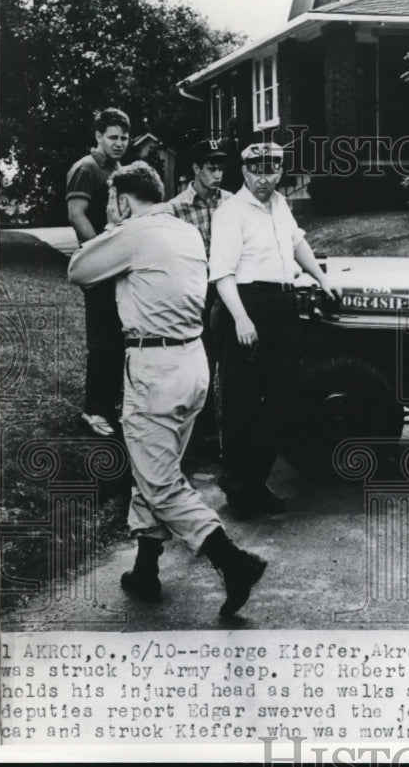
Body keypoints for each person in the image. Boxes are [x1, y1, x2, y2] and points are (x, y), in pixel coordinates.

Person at [67, 161, 267, 619]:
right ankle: (145, 571)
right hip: (193, 362)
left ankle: (233, 562)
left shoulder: (134, 232)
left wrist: (112, 228)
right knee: (154, 467)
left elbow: (79, 270)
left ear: (123, 200)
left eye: (114, 201)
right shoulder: (186, 231)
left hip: (154, 367)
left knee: (159, 482)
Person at [209, 141, 341, 519]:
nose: (263, 179)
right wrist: (241, 318)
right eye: (256, 171)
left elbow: (297, 242)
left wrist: (321, 278)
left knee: (283, 399)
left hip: (282, 306)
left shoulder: (280, 204)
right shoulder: (230, 212)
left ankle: (253, 481)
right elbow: (222, 273)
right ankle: (241, 490)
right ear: (244, 171)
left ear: (280, 171)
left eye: (271, 171)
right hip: (247, 305)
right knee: (243, 403)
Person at [66, 107, 130, 436]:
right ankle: (93, 411)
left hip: (119, 266)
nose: (119, 143)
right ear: (98, 136)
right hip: (98, 265)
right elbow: (76, 214)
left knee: (120, 340)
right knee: (103, 342)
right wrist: (99, 253)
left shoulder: (120, 170)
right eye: (113, 137)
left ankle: (109, 406)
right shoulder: (86, 168)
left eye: (124, 138)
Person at [169, 139, 235, 456]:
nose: (218, 174)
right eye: (211, 168)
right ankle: (204, 437)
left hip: (230, 289)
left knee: (233, 364)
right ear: (196, 169)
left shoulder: (233, 203)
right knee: (201, 364)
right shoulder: (176, 209)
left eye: (221, 168)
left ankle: (234, 437)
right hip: (197, 292)